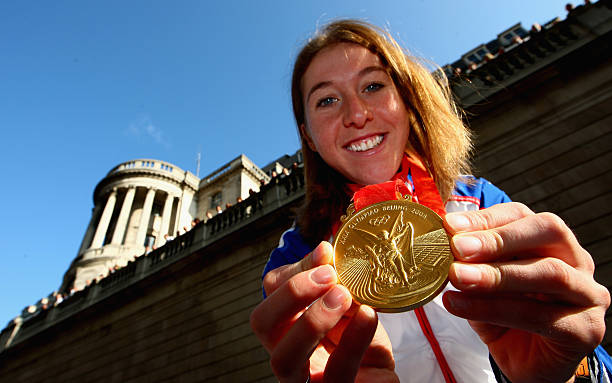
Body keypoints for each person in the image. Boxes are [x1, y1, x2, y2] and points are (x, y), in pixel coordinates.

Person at [249, 20, 610, 383]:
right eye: (327, 100)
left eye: (373, 85)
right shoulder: (295, 258)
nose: (357, 115)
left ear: (405, 100)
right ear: (308, 137)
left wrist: (573, 370)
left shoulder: (481, 202)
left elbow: (565, 346)